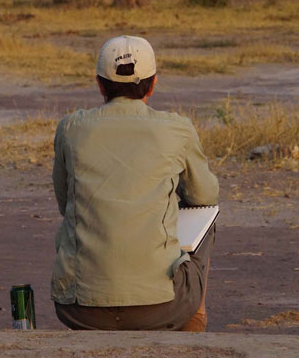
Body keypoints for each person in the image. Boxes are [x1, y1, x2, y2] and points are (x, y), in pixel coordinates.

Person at [51, 35, 219, 331]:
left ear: (100, 84)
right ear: (153, 84)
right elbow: (205, 194)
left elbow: (65, 203)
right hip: (161, 306)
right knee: (207, 220)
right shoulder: (177, 129)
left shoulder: (70, 129)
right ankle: (193, 328)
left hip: (79, 308)